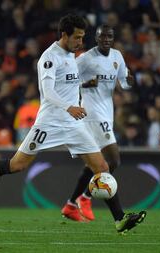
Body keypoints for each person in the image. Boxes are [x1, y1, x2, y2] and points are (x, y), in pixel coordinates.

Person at [0, 14, 146, 233]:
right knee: (17, 165)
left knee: (102, 167)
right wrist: (69, 107)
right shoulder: (50, 57)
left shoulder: (73, 56)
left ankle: (120, 220)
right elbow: (48, 91)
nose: (81, 42)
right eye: (77, 37)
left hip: (74, 125)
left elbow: (71, 83)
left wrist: (91, 85)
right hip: (50, 122)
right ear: (64, 35)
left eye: (83, 37)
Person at [60, 24, 136, 223]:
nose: (106, 40)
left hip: (106, 114)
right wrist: (86, 84)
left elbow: (124, 83)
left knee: (96, 163)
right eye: (102, 37)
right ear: (96, 38)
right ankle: (86, 198)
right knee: (113, 160)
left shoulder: (117, 56)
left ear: (113, 38)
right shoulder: (86, 58)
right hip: (92, 115)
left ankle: (70, 204)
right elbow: (67, 80)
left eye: (109, 37)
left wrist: (130, 81)